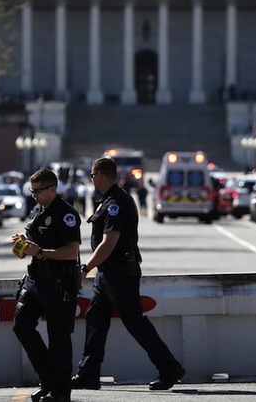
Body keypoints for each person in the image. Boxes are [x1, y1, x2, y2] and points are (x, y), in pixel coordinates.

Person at [71, 157, 186, 391]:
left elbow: (108, 243)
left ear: (101, 176)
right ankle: (88, 373)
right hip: (107, 275)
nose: (91, 180)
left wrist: (85, 269)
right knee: (95, 319)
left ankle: (169, 368)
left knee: (135, 322)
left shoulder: (116, 202)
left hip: (119, 274)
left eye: (93, 175)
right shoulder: (107, 201)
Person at [12, 168, 82, 402]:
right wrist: (23, 245)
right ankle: (48, 380)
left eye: (38, 191)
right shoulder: (37, 210)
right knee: (21, 326)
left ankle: (60, 392)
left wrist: (40, 251)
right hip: (36, 280)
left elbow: (71, 252)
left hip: (58, 283)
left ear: (53, 189)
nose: (34, 195)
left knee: (59, 338)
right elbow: (34, 243)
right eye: (32, 191)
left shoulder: (66, 214)